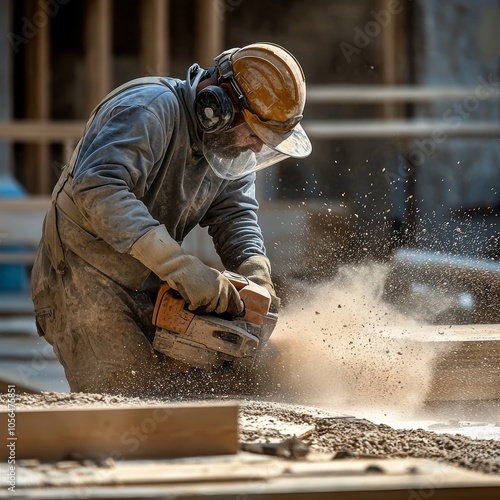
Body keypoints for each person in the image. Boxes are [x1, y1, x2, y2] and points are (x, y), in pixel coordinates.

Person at [31, 42, 312, 396]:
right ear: (217, 105)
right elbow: (98, 188)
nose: (256, 147)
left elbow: (235, 213)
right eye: (254, 134)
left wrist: (255, 271)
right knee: (121, 405)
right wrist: (180, 267)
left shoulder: (229, 147)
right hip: (83, 276)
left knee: (177, 396)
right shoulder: (149, 110)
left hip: (147, 278)